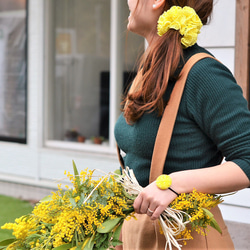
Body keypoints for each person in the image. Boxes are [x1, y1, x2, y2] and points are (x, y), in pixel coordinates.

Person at [114, 0, 250, 249]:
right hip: (140, 234)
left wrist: (174, 184)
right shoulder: (152, 68)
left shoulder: (204, 74)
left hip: (184, 238)